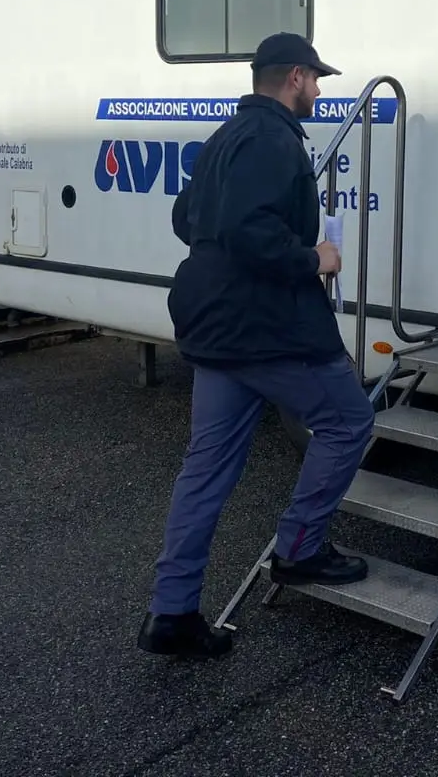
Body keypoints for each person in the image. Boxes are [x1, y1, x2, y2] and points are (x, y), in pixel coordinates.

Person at [136, 32, 375, 660]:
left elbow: (186, 219)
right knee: (349, 420)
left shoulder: (225, 138)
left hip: (215, 327)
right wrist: (313, 258)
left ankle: (173, 612)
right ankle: (299, 550)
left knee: (206, 468)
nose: (319, 91)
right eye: (316, 80)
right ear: (293, 77)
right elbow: (249, 232)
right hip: (267, 326)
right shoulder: (273, 141)